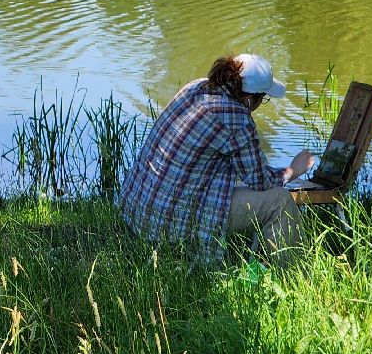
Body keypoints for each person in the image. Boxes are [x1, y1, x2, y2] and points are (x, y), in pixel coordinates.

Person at [119, 53, 317, 263]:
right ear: (249, 100)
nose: (262, 103)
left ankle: (253, 254)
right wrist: (294, 169)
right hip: (168, 222)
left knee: (237, 178)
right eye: (263, 98)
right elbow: (260, 181)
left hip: (139, 208)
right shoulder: (237, 120)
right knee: (279, 201)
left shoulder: (196, 87)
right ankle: (293, 273)